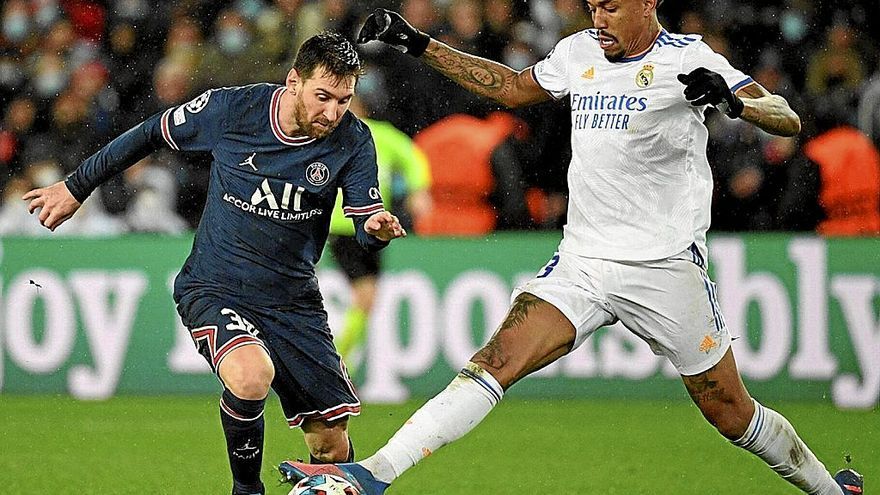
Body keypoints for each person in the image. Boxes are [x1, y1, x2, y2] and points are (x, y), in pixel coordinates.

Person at [278, 2, 864, 495]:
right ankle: (372, 475)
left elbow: (785, 118)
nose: (599, 17)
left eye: (611, 6)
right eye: (592, 5)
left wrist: (734, 101)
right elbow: (509, 87)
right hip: (583, 261)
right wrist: (418, 43)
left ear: (648, 3)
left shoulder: (689, 60)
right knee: (495, 362)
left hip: (664, 267)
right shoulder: (579, 52)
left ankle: (831, 490)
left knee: (731, 412)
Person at [23, 32, 406, 495]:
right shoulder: (232, 110)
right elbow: (149, 133)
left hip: (292, 301)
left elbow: (365, 218)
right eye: (323, 97)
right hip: (215, 286)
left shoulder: (354, 139)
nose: (332, 113)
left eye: (344, 101)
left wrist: (376, 229)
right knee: (250, 375)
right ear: (293, 81)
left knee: (329, 443)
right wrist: (76, 187)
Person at [329, 94, 431, 375]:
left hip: (371, 226)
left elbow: (412, 158)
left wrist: (418, 189)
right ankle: (335, 366)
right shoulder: (329, 137)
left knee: (367, 299)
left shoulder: (379, 134)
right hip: (344, 226)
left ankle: (336, 363)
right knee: (365, 296)